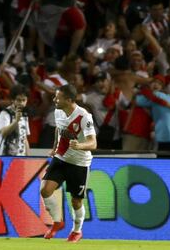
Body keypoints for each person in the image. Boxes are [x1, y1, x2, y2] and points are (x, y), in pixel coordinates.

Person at [40, 84, 97, 243]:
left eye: (57, 97)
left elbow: (93, 143)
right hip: (61, 159)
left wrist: (80, 145)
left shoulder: (84, 116)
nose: (54, 99)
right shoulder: (58, 112)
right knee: (45, 190)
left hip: (79, 163)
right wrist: (54, 147)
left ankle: (77, 231)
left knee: (76, 200)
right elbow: (58, 129)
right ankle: (57, 221)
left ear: (69, 100)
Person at [0, 84, 30, 156]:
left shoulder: (24, 115)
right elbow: (3, 133)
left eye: (24, 100)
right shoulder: (5, 113)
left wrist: (28, 158)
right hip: (6, 156)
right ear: (12, 99)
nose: (21, 103)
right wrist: (16, 121)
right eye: (18, 100)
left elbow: (25, 139)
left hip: (21, 158)